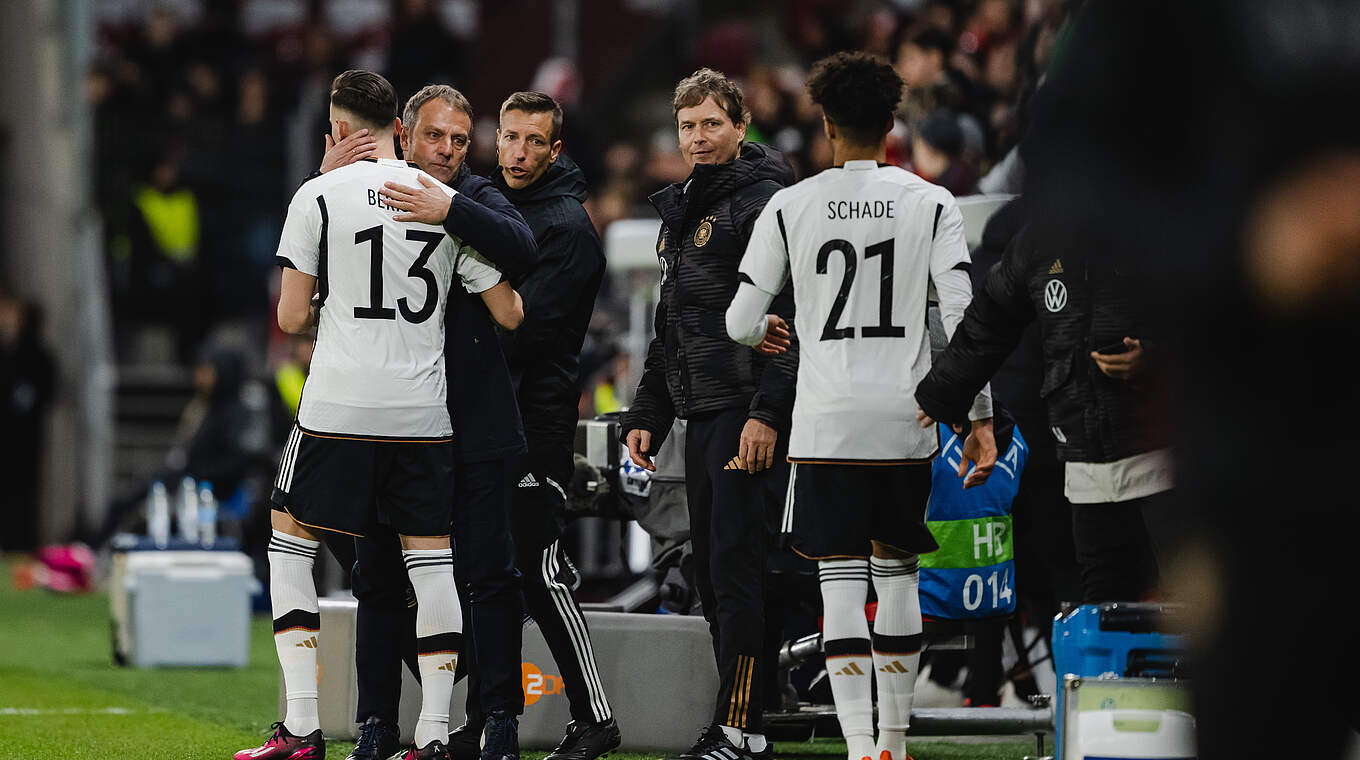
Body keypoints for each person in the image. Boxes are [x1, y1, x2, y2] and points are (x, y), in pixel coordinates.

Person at [235, 70, 524, 760]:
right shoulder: (441, 201)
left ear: (336, 131)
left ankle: (302, 725)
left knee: (290, 538)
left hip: (339, 405)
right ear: (399, 126)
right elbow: (511, 312)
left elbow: (291, 315)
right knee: (432, 563)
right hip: (424, 414)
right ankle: (431, 735)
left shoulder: (316, 195)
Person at [725, 52, 996, 760]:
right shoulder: (931, 202)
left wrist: (764, 330)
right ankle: (896, 745)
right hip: (905, 420)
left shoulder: (791, 204)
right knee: (898, 573)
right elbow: (965, 320)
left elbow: (738, 320)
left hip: (825, 420)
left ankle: (856, 747)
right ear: (891, 124)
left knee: (840, 587)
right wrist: (980, 417)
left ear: (825, 123)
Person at [384, 90, 616, 760]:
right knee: (485, 577)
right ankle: (487, 716)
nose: (517, 152)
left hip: (533, 423)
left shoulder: (567, 229)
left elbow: (521, 334)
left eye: (533, 142)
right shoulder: (498, 209)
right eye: (509, 138)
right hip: (478, 416)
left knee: (538, 569)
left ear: (555, 149)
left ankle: (595, 715)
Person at [323, 83, 539, 760]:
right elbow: (306, 263)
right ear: (403, 133)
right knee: (378, 575)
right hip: (388, 420)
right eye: (435, 137)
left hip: (471, 422)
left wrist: (448, 208)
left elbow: (523, 249)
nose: (447, 150)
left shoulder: (473, 198)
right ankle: (376, 724)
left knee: (490, 575)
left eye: (458, 140)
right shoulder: (358, 193)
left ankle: (498, 721)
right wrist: (324, 186)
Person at [913, 115, 1173, 607]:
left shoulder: (1163, 228)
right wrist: (940, 392)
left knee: (1182, 609)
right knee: (1099, 609)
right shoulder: (1040, 240)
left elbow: (1215, 320)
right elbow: (988, 320)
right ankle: (1103, 686)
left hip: (1163, 455)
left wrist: (1154, 360)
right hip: (1085, 465)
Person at [619, 68, 796, 760]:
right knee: (716, 575)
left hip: (742, 416)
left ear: (741, 125)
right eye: (688, 125)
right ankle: (739, 721)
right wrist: (648, 414)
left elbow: (792, 320)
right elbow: (674, 328)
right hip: (702, 415)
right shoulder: (689, 206)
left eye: (711, 123)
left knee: (738, 571)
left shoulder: (764, 203)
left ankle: (744, 728)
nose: (698, 136)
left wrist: (767, 414)